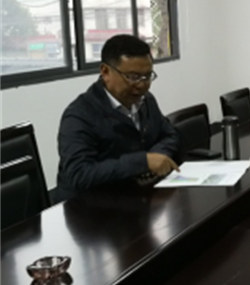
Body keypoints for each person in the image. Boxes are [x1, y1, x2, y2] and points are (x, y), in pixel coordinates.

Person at [54, 35, 180, 202]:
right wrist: (143, 162)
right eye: (133, 77)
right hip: (87, 208)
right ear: (105, 72)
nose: (142, 85)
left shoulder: (146, 101)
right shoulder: (79, 115)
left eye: (147, 76)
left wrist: (156, 156)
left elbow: (170, 134)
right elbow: (79, 174)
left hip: (131, 197)